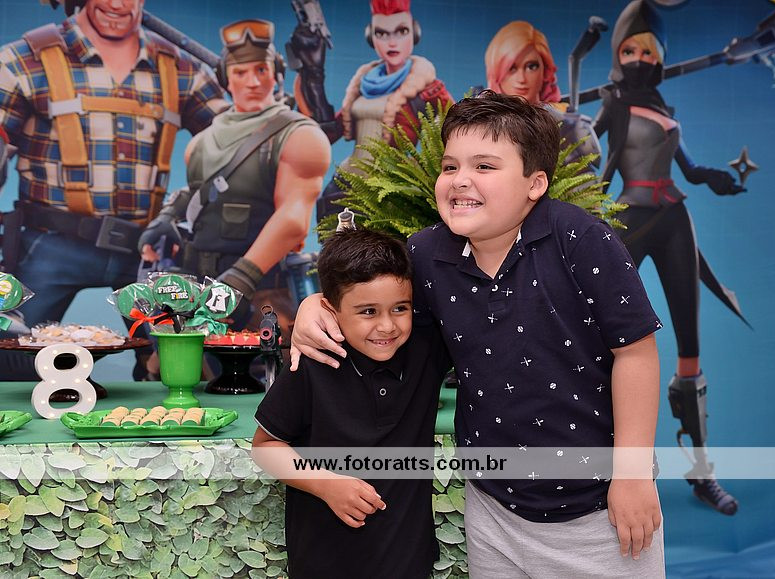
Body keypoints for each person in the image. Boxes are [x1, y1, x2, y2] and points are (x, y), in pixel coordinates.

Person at [290, 91, 666, 576]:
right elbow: (370, 298)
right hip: (493, 510)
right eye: (450, 166)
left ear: (535, 183)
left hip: (599, 511)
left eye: (484, 166)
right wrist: (314, 305)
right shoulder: (426, 254)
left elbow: (636, 353)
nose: (460, 179)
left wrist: (632, 476)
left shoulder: (581, 239)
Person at [0, 0, 227, 379]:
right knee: (10, 354)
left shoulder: (181, 69)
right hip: (52, 242)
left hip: (146, 249)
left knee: (189, 365)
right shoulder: (22, 61)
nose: (118, 4)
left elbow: (237, 149)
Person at [593, 0, 745, 515]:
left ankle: (702, 472)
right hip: (630, 219)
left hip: (675, 217)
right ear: (617, 56)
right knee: (601, 338)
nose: (639, 59)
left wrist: (715, 178)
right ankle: (600, 465)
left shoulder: (663, 107)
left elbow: (689, 167)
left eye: (648, 51)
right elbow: (589, 154)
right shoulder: (614, 105)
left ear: (659, 58)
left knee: (689, 344)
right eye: (629, 51)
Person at [251, 228, 451, 579]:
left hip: (407, 561)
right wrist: (326, 485)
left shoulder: (427, 349)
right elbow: (265, 447)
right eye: (368, 311)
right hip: (323, 563)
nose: (387, 326)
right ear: (332, 310)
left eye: (400, 308)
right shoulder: (312, 363)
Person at [138, 19, 330, 333]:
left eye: (261, 70)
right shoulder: (201, 142)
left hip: (261, 292)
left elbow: (293, 217)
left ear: (276, 74)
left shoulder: (300, 136)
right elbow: (197, 192)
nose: (252, 82)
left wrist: (242, 278)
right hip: (196, 291)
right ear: (226, 78)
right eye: (241, 72)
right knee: (175, 361)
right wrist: (166, 217)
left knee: (268, 359)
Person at [288, 0, 453, 221]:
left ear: (415, 33)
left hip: (388, 190)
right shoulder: (363, 84)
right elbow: (327, 133)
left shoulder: (428, 88)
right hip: (346, 183)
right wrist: (313, 74)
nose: (391, 42)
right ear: (371, 37)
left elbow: (455, 134)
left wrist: (418, 175)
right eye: (381, 33)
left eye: (401, 31)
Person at [484, 20, 600, 168]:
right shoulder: (480, 121)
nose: (521, 79)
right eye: (512, 68)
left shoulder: (567, 126)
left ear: (545, 71)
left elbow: (584, 179)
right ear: (497, 73)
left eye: (531, 66)